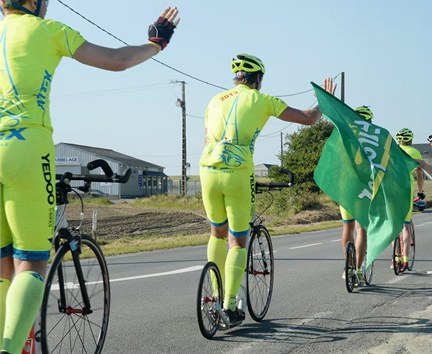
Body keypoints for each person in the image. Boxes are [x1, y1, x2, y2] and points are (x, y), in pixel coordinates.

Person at [0, 2, 179, 352]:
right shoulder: (47, 30)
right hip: (25, 145)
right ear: (36, 3)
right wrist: (157, 43)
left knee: (3, 264)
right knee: (32, 260)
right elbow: (117, 61)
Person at [199, 53, 336, 327]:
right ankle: (228, 306)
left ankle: (213, 295)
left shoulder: (214, 100)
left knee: (217, 232)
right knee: (238, 240)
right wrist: (324, 101)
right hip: (237, 174)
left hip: (207, 171)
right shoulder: (263, 100)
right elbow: (309, 118)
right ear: (258, 79)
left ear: (237, 78)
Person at [339, 106, 373, 282]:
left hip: (345, 187)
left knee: (348, 226)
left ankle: (348, 266)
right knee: (361, 229)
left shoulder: (344, 135)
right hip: (363, 188)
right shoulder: (373, 138)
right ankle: (358, 269)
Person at [394, 128, 424, 272]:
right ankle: (405, 259)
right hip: (407, 190)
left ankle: (395, 258)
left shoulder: (392, 151)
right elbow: (420, 175)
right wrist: (420, 192)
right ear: (410, 140)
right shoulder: (415, 153)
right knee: (406, 225)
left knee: (395, 225)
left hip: (392, 190)